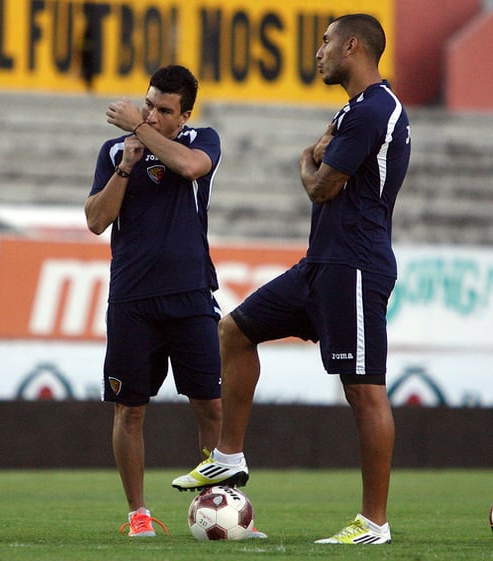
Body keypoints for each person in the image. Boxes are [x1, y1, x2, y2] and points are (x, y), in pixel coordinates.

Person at [172, 14, 411, 545]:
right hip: (320, 264)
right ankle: (228, 458)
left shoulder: (375, 109)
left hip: (353, 265)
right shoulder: (355, 110)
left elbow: (321, 187)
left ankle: (374, 524)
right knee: (233, 330)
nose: (319, 51)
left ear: (353, 46)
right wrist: (316, 160)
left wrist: (306, 159)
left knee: (364, 392)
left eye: (326, 42)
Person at [85, 65, 225, 538]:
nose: (152, 115)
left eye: (165, 110)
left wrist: (139, 128)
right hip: (132, 298)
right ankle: (138, 516)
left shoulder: (203, 139)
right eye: (148, 105)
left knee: (210, 405)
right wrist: (126, 163)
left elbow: (189, 168)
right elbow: (95, 221)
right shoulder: (113, 152)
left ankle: (215, 506)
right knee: (130, 409)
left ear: (184, 114)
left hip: (190, 295)